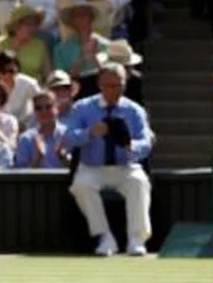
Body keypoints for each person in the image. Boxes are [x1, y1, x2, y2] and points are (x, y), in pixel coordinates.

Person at [64, 63, 154, 257]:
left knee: (139, 182)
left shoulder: (135, 110)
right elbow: (69, 137)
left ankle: (136, 239)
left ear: (125, 84)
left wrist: (132, 146)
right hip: (92, 166)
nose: (113, 90)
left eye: (117, 85)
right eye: (108, 85)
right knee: (82, 185)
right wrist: (90, 133)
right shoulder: (82, 107)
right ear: (99, 84)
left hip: (125, 166)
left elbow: (146, 142)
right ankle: (105, 237)